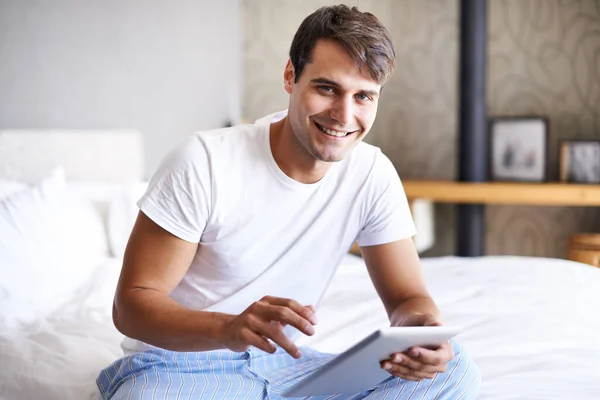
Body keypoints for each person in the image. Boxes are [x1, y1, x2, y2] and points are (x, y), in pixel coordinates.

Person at [97, 4, 481, 399]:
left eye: (363, 96)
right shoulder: (204, 162)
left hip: (289, 366)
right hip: (184, 367)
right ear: (290, 77)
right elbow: (131, 306)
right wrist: (228, 327)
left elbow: (407, 299)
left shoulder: (372, 173)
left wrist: (425, 334)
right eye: (327, 88)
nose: (344, 115)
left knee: (454, 369)